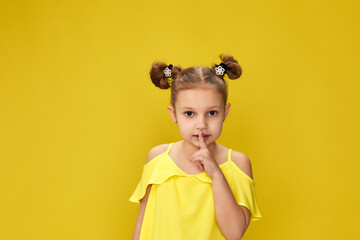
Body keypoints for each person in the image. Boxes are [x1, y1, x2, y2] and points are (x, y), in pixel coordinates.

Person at [129, 54, 262, 240]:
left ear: (226, 112)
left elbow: (234, 233)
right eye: (189, 113)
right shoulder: (157, 158)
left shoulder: (238, 163)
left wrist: (216, 174)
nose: (201, 124)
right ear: (174, 114)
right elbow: (142, 222)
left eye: (212, 113)